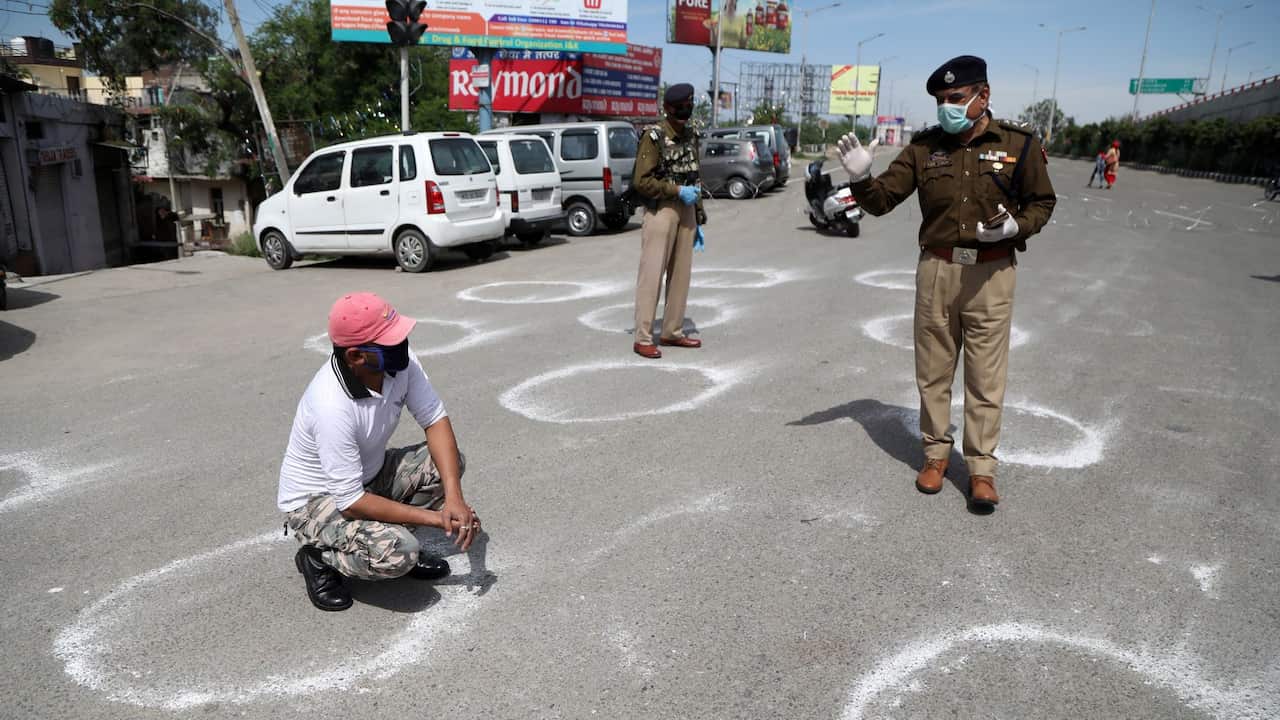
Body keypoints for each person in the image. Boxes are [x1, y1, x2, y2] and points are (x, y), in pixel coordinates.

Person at [836, 55, 1056, 512]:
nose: (946, 108)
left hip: (992, 273)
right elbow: (881, 202)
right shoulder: (924, 148)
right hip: (937, 270)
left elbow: (1042, 202)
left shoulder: (1019, 144)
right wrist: (860, 177)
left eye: (955, 98)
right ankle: (935, 456)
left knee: (985, 377)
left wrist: (1017, 227)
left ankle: (981, 469)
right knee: (933, 372)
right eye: (940, 100)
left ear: (983, 96)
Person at [277, 292, 481, 611]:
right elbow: (350, 500)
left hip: (367, 477)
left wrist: (454, 498)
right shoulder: (330, 406)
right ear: (357, 356)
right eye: (390, 342)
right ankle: (318, 558)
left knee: (449, 463)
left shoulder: (401, 365)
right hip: (316, 501)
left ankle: (382, 535)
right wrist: (437, 519)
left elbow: (435, 420)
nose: (402, 344)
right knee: (399, 554)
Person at [630, 82, 707, 360]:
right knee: (652, 274)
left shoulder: (691, 135)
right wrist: (675, 191)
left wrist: (698, 215)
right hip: (661, 209)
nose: (686, 110)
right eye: (681, 107)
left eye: (689, 105)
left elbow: (695, 175)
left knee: (681, 275)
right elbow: (641, 181)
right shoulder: (654, 137)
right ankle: (643, 337)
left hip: (686, 209)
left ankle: (672, 331)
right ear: (668, 108)